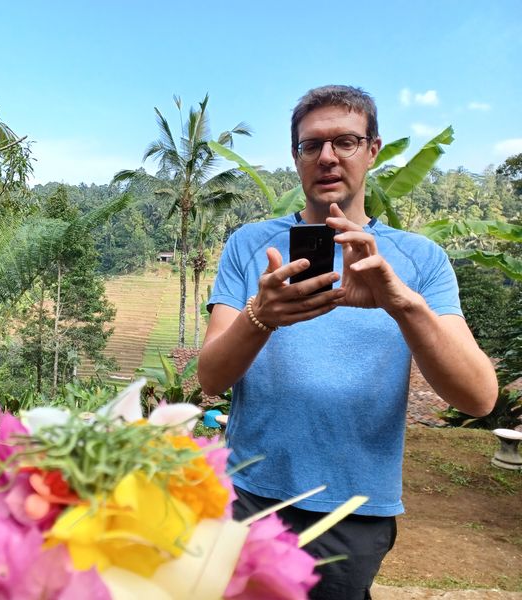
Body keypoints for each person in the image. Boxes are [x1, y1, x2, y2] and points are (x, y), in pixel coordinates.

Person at [198, 85, 497, 600]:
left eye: (346, 141)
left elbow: (478, 397)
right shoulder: (250, 246)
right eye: (311, 145)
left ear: (373, 150)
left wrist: (401, 304)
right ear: (296, 157)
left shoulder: (420, 259)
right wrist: (260, 317)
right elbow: (211, 378)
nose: (327, 157)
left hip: (354, 507)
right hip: (248, 495)